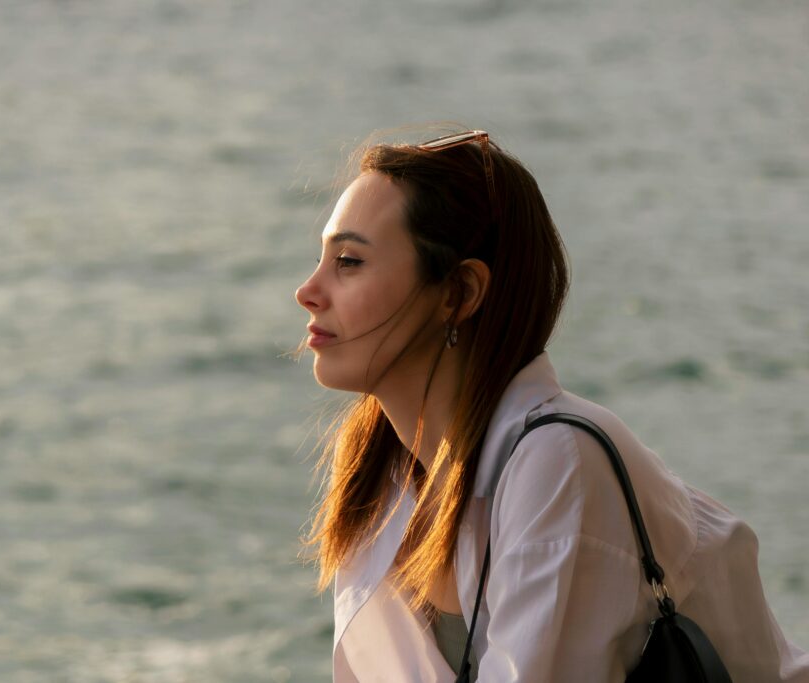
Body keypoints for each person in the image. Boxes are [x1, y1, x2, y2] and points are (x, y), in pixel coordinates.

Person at [294, 129, 809, 682]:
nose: (308, 290)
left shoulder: (556, 460)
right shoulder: (384, 473)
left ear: (460, 293)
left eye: (348, 261)